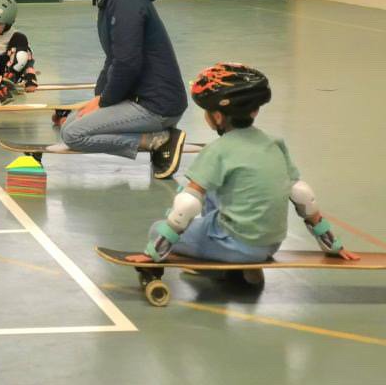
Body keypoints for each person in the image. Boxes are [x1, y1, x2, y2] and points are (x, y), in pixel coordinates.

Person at [127, 63, 359, 266]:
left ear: (217, 117)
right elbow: (302, 196)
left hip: (237, 247)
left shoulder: (217, 151)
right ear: (255, 111)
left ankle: (224, 269)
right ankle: (243, 267)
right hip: (272, 244)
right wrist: (332, 244)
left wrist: (154, 251)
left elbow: (187, 206)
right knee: (213, 192)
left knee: (158, 227)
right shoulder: (274, 143)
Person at [59, 0, 188, 179]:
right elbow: (114, 59)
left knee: (72, 134)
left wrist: (105, 102)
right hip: (141, 98)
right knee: (72, 122)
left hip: (156, 106)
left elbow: (127, 63)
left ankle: (159, 140)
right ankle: (153, 137)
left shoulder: (125, 0)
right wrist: (100, 98)